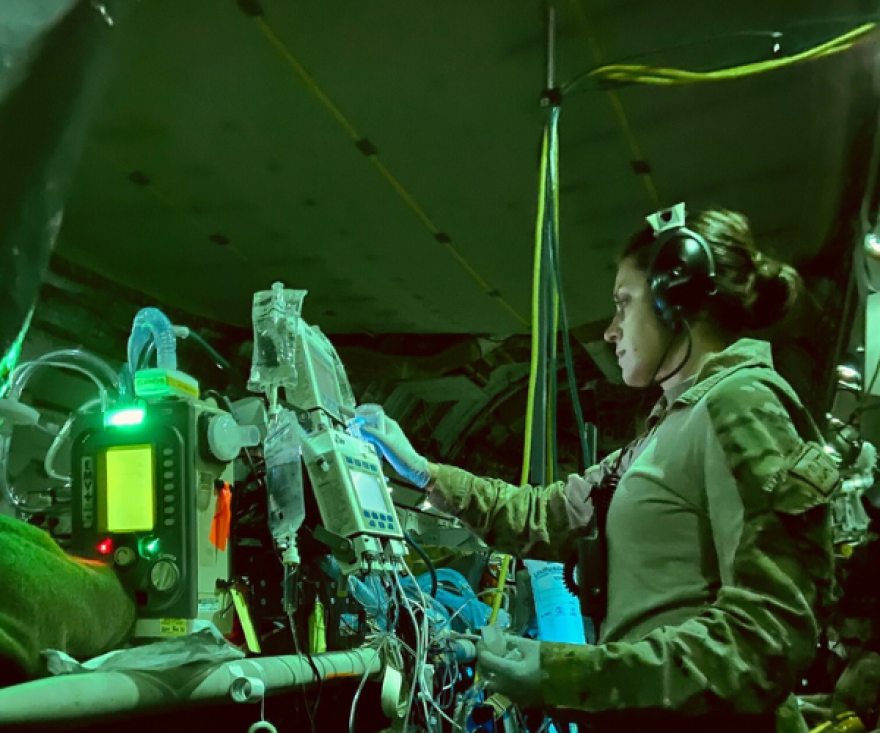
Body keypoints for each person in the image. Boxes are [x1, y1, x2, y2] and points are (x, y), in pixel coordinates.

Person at [358, 205, 838, 733]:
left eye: (623, 303)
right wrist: (424, 471)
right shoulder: (664, 431)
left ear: (672, 299)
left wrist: (561, 676)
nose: (611, 330)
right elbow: (548, 513)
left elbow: (764, 643)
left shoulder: (740, 405)